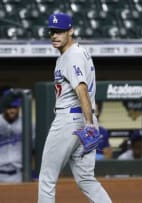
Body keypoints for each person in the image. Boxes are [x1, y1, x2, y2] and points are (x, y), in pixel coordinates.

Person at [37, 13, 112, 203]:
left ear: (71, 31)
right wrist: (90, 122)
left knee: (47, 177)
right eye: (52, 32)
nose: (55, 35)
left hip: (70, 120)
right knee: (86, 179)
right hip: (83, 120)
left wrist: (88, 123)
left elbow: (82, 89)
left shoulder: (72, 56)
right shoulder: (79, 52)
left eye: (60, 31)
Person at [0, 91, 22, 182]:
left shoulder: (26, 124)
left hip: (19, 175)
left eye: (15, 107)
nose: (12, 110)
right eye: (9, 107)